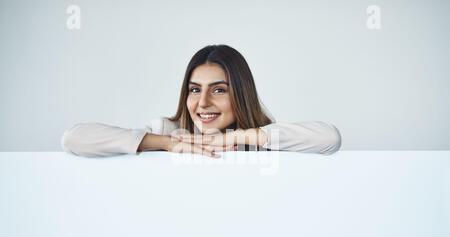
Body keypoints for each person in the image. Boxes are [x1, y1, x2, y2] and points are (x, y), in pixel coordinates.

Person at [61, 44, 341, 158]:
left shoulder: (262, 138)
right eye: (195, 90)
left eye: (218, 90)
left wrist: (237, 137)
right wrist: (168, 143)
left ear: (241, 94)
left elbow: (329, 138)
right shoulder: (166, 130)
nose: (203, 102)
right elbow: (74, 140)